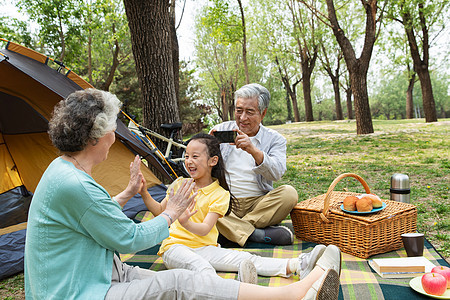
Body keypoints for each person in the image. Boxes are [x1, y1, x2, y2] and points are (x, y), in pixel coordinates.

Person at [24, 88, 340, 300]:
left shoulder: (63, 169)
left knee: (174, 276)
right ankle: (292, 294)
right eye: (113, 128)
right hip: (75, 291)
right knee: (181, 281)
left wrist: (127, 194)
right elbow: (128, 238)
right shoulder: (75, 183)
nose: (115, 135)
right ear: (99, 136)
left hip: (93, 272)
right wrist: (173, 212)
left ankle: (279, 285)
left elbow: (90, 213)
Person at [142, 133, 339, 285]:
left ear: (213, 161)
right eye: (186, 156)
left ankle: (297, 265)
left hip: (205, 247)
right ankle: (233, 290)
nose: (189, 161)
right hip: (174, 248)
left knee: (245, 259)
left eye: (195, 156)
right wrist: (144, 193)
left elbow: (204, 229)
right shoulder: (179, 184)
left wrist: (185, 220)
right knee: (202, 268)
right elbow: (160, 211)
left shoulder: (219, 194)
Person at [210, 83, 298, 246]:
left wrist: (253, 150)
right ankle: (254, 234)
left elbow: (277, 173)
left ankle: (231, 231)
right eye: (239, 110)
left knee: (289, 194)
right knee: (198, 200)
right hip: (225, 202)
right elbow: (194, 167)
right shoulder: (220, 130)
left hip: (259, 204)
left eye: (249, 112)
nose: (242, 118)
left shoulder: (275, 139)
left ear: (262, 113)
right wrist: (205, 150)